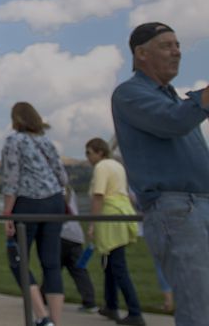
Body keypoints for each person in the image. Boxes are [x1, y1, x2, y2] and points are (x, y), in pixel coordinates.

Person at [111, 22, 209, 326]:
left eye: (178, 45)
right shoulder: (129, 94)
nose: (177, 52)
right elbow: (172, 122)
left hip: (198, 205)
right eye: (167, 45)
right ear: (141, 54)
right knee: (199, 307)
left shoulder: (173, 98)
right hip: (178, 210)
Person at [1, 101, 67, 326]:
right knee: (51, 263)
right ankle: (56, 322)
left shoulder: (14, 141)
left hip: (28, 203)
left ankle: (43, 317)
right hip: (55, 201)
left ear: (16, 119)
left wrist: (7, 213)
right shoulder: (46, 141)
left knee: (17, 259)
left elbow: (12, 179)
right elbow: (62, 175)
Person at [84, 137, 143, 325]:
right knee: (109, 264)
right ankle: (111, 305)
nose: (88, 157)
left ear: (99, 152)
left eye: (89, 153)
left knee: (118, 266)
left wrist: (92, 223)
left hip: (110, 217)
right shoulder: (117, 165)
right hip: (122, 214)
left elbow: (98, 196)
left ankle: (135, 311)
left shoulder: (101, 167)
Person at [60, 186, 98, 313]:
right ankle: (89, 301)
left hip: (61, 233)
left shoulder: (57, 188)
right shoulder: (70, 189)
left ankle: (46, 294)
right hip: (75, 235)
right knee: (79, 270)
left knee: (52, 268)